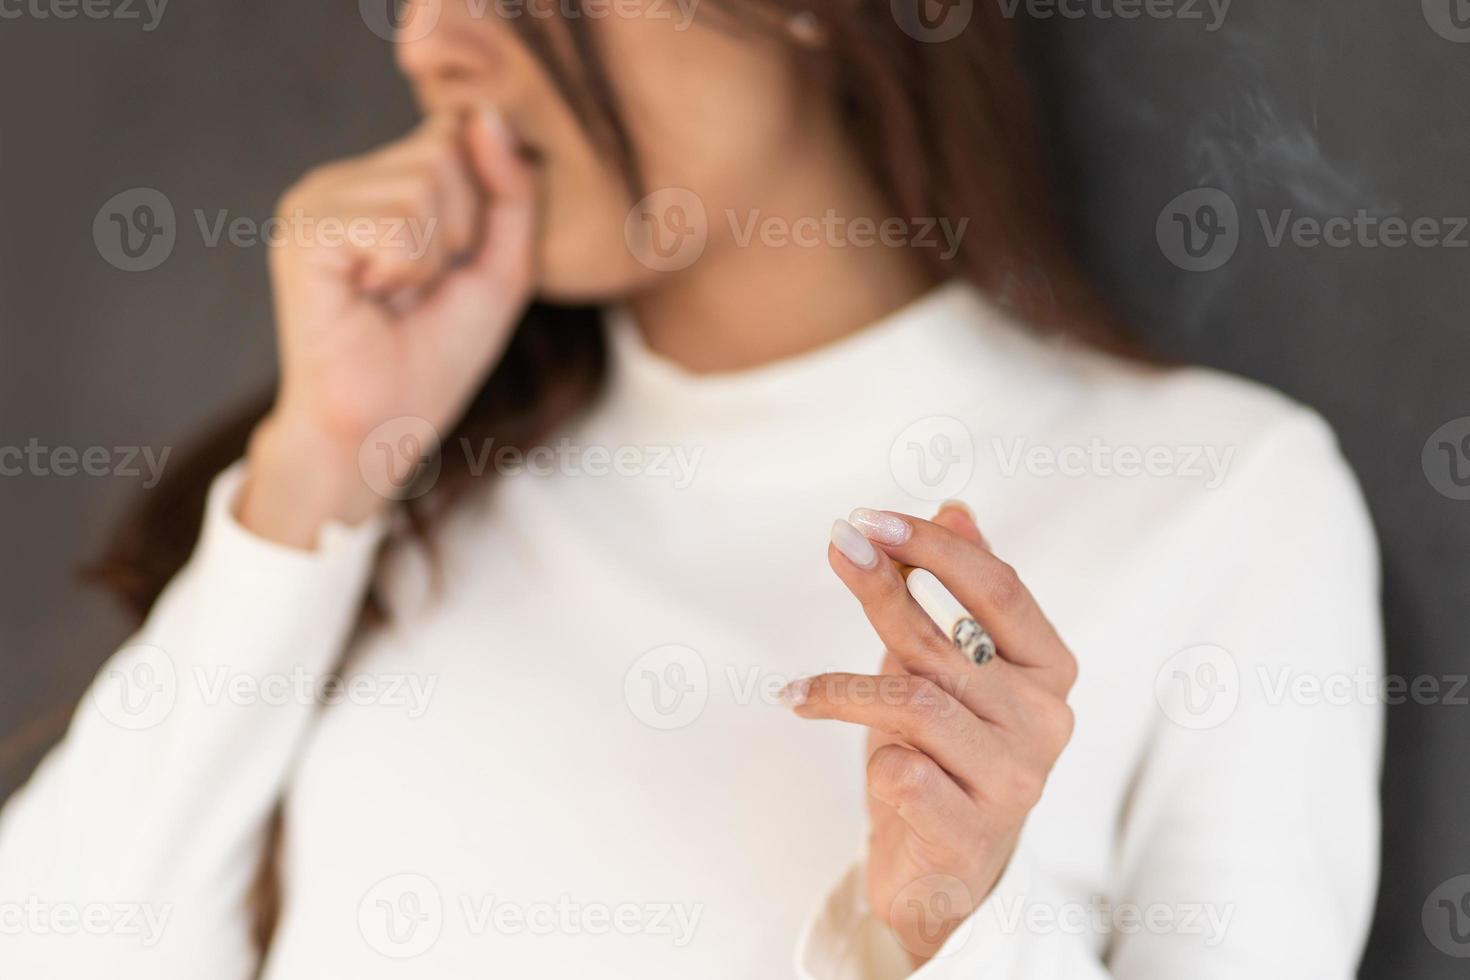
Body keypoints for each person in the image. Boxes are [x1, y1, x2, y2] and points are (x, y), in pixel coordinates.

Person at [0, 0, 1381, 976]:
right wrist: (318, 468)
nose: (428, 38)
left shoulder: (1218, 499)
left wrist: (938, 935)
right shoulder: (410, 486)